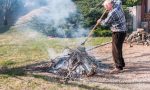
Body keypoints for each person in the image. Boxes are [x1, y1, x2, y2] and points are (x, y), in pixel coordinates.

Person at [97, 0, 127, 74]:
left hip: (118, 32)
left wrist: (100, 21)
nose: (106, 9)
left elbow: (105, 23)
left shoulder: (112, 13)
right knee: (118, 48)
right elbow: (118, 0)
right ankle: (121, 64)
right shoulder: (118, 5)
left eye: (106, 7)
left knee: (115, 50)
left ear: (109, 5)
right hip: (123, 31)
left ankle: (118, 67)